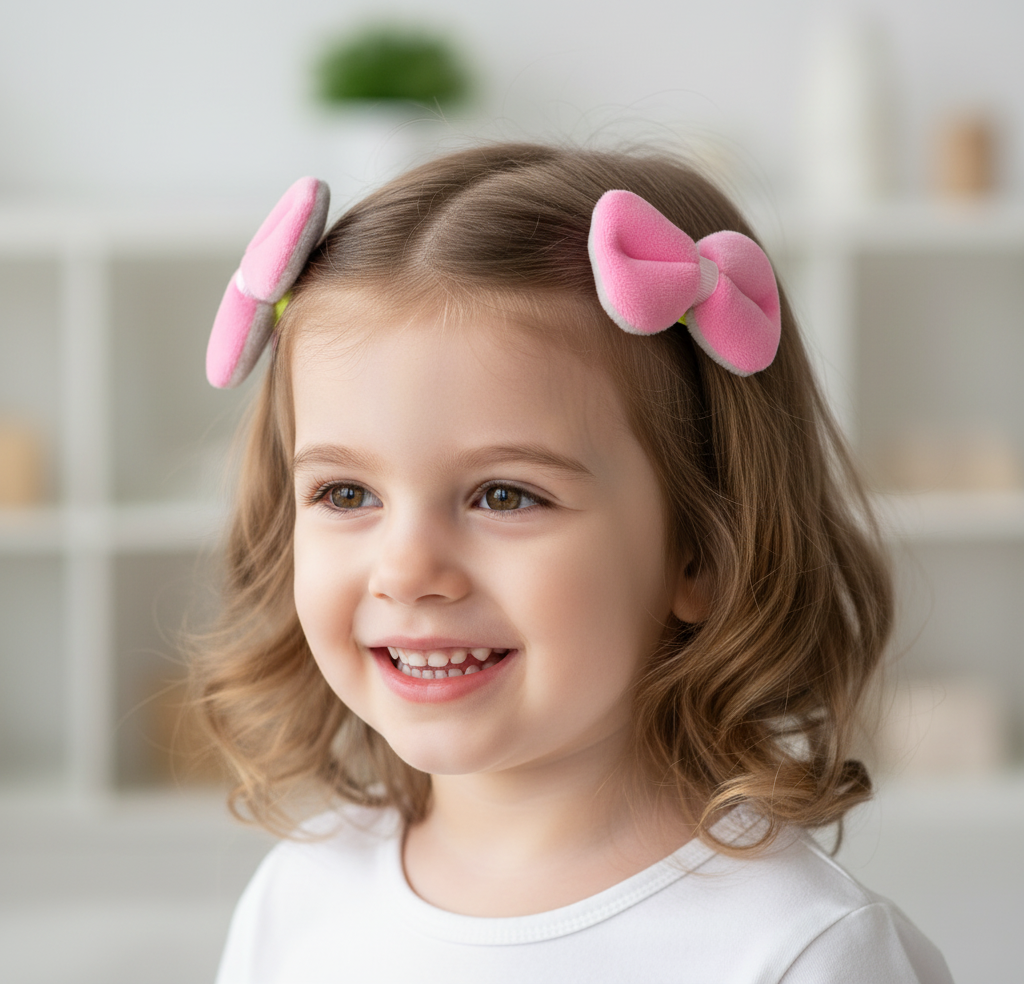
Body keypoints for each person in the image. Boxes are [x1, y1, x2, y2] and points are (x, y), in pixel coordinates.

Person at [196, 143, 953, 983]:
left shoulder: (801, 952)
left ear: (703, 549)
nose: (405, 571)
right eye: (345, 494)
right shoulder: (297, 900)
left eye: (504, 496)